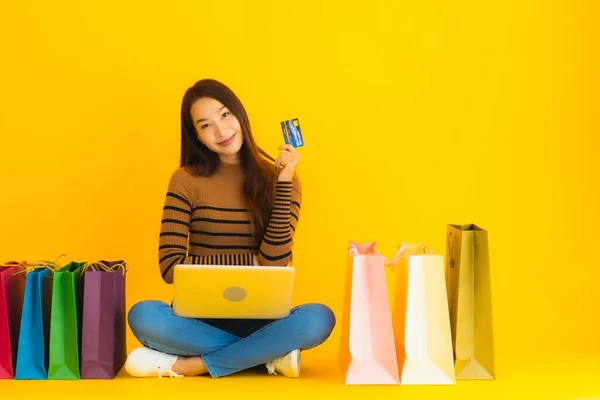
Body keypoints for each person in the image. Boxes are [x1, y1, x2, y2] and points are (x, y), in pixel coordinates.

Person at [124, 79, 335, 379]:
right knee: (143, 315)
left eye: (225, 115)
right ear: (195, 135)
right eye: (206, 125)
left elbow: (275, 262)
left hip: (261, 320)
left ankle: (193, 364)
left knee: (318, 319)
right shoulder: (185, 180)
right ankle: (266, 356)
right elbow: (170, 267)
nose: (221, 131)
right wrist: (252, 263)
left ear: (239, 114)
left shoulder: (282, 180)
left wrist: (284, 183)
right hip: (196, 321)